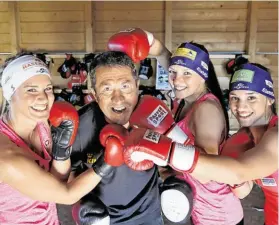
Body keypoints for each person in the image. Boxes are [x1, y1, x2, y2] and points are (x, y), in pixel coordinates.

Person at [108, 28, 244, 225]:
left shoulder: (206, 109)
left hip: (219, 215)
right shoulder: (185, 98)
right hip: (198, 209)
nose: (177, 80)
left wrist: (164, 142)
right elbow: (162, 53)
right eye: (173, 71)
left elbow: (208, 172)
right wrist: (145, 38)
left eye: (187, 73)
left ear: (202, 75)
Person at [118, 62, 278, 225]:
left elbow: (238, 172)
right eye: (234, 98)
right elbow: (243, 190)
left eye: (251, 97)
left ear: (270, 99)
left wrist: (164, 147)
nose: (241, 106)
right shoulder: (240, 140)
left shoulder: (276, 136)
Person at [0, 53, 129, 225]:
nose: (43, 98)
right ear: (10, 94)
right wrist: (108, 161)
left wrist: (62, 151)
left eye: (47, 88)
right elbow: (66, 194)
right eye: (31, 90)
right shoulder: (6, 157)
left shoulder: (41, 125)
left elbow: (57, 180)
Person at [70, 51, 163, 225]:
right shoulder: (80, 125)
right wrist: (81, 205)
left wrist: (174, 182)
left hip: (150, 218)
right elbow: (70, 174)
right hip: (103, 220)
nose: (118, 99)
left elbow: (166, 165)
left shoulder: (154, 115)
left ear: (137, 85)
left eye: (125, 86)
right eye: (107, 89)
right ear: (95, 94)